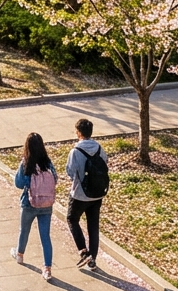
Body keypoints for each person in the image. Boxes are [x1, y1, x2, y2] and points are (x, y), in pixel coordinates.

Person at [11, 132, 58, 281]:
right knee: (45, 236)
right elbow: (54, 179)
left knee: (24, 230)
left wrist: (29, 183)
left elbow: (18, 183)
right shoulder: (47, 162)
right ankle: (47, 268)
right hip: (46, 204)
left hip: (29, 203)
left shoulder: (26, 162)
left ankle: (19, 255)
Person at [65, 118, 108, 271]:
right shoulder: (99, 148)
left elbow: (70, 172)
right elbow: (104, 163)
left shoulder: (75, 152)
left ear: (78, 133)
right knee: (93, 226)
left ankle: (83, 251)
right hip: (97, 194)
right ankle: (92, 260)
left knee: (72, 219)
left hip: (79, 194)